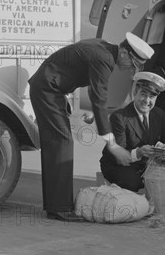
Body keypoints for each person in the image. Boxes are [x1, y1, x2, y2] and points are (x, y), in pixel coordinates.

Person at [29, 33, 155, 222]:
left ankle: (57, 205)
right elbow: (98, 98)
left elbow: (93, 93)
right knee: (61, 143)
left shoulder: (104, 49)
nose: (131, 70)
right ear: (123, 54)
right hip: (48, 89)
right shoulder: (104, 59)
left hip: (51, 89)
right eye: (132, 64)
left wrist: (94, 115)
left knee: (58, 144)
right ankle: (59, 208)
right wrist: (112, 144)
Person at [100, 71, 165, 192]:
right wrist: (138, 153)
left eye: (152, 96)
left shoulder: (158, 114)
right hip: (118, 165)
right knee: (133, 182)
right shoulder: (119, 117)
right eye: (143, 94)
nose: (147, 100)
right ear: (135, 92)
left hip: (144, 165)